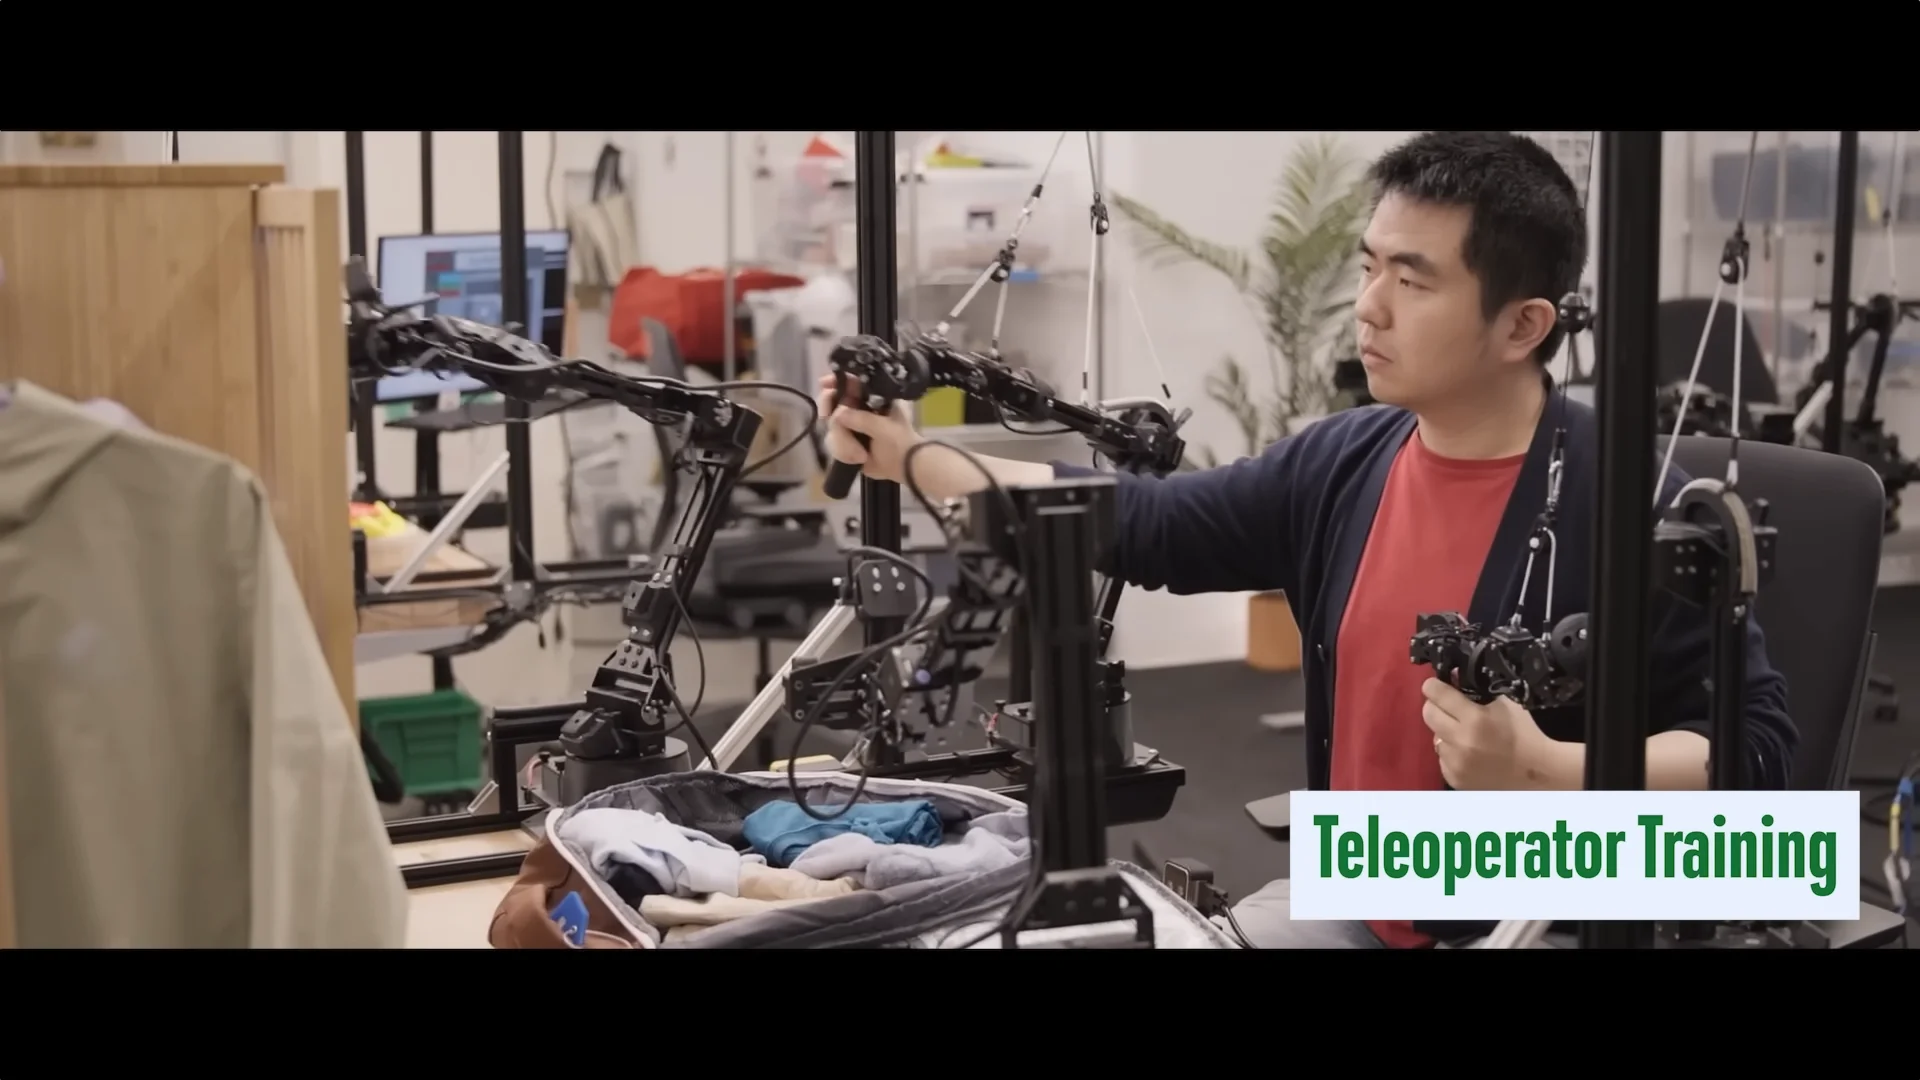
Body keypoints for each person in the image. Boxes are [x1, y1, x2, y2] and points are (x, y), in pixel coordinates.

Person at [813, 131, 1798, 949]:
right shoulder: (1346, 460)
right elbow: (1149, 524)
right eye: (1369, 267)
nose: (1369, 306)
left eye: (1412, 281)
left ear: (1522, 325)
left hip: (1540, 916)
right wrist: (914, 457)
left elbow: (1759, 769)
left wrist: (1547, 770)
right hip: (1364, 887)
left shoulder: (1623, 498)